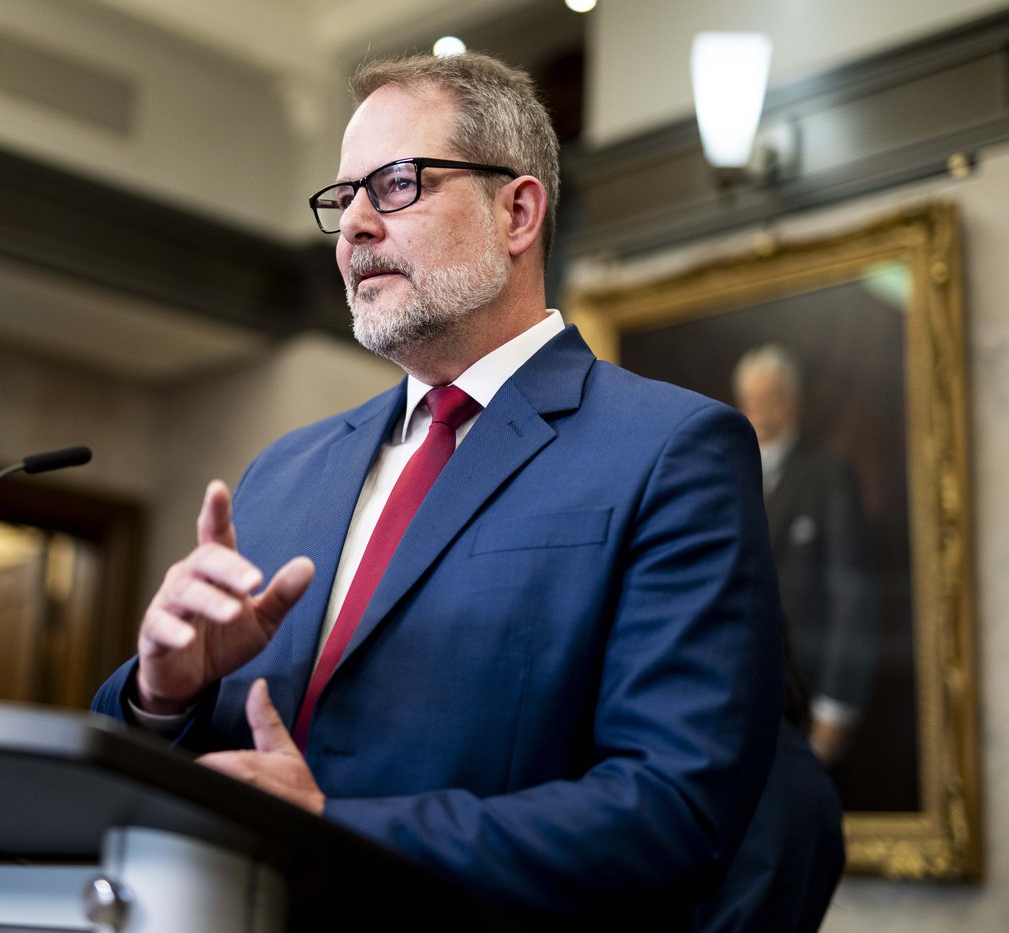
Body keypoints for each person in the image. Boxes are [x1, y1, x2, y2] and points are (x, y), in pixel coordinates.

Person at [93, 52, 784, 926]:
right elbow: (171, 761)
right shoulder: (284, 471)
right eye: (343, 198)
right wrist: (164, 698)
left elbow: (673, 812)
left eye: (396, 184)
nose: (353, 227)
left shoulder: (671, 451)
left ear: (517, 212)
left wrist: (333, 829)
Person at [733, 343, 880, 765]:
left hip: (808, 695)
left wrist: (836, 706)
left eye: (772, 398)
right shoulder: (726, 474)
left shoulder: (829, 475)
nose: (761, 411)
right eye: (752, 400)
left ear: (793, 401)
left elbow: (852, 595)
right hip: (737, 697)